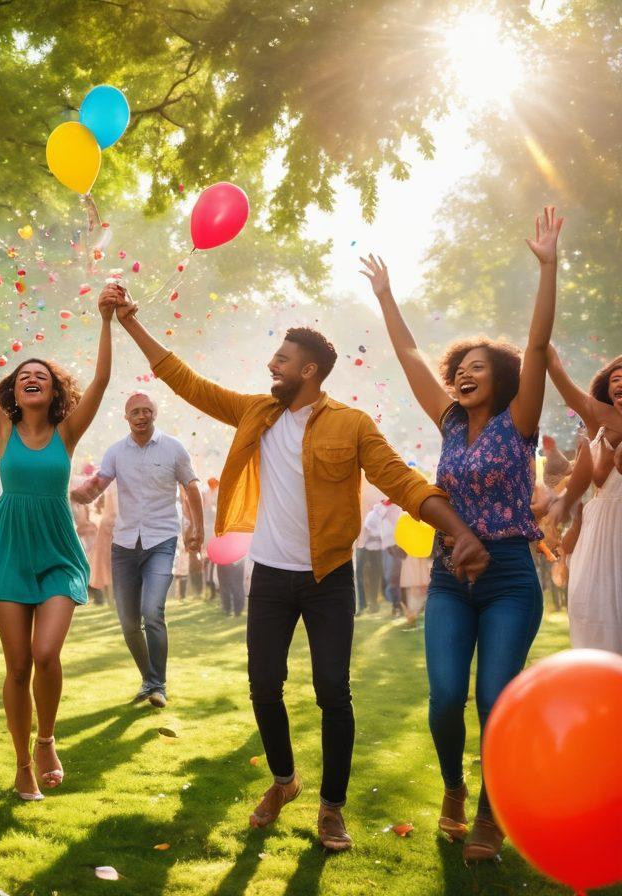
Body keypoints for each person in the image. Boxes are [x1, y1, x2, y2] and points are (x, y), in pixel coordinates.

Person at [109, 283, 489, 852]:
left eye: (281, 359)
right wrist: (130, 323)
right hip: (270, 577)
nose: (271, 365)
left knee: (333, 691)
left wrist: (459, 531)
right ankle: (285, 782)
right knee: (264, 684)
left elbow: (403, 482)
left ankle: (331, 808)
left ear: (308, 370)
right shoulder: (256, 412)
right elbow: (187, 383)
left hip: (328, 577)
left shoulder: (352, 425)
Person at [359, 205, 563, 859]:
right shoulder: (448, 422)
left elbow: (535, 347)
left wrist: (549, 267)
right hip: (450, 576)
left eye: (480, 366)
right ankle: (452, 787)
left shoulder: (519, 421)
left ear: (500, 378)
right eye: (462, 366)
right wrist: (388, 297)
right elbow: (410, 354)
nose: (467, 372)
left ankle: (488, 814)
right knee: (446, 698)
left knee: (494, 699)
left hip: (508, 576)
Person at [0, 282, 114, 801]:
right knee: (17, 665)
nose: (32, 379)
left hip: (59, 549)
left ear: (54, 390)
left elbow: (104, 379)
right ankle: (23, 762)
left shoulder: (68, 433)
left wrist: (107, 320)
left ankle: (47, 739)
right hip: (9, 550)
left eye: (41, 376)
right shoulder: (2, 429)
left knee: (46, 653)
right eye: (25, 377)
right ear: (15, 392)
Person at [71, 391, 203, 708]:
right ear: (126, 417)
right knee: (129, 623)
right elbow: (97, 486)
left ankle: (158, 684)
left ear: (154, 414)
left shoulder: (173, 448)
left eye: (147, 411)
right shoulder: (116, 452)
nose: (141, 416)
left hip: (162, 539)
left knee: (152, 610)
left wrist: (196, 528)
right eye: (135, 412)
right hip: (125, 544)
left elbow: (192, 486)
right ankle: (150, 680)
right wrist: (77, 493)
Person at [545, 348, 622, 652]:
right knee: (594, 623)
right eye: (616, 379)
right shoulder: (598, 420)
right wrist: (546, 353)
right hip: (598, 538)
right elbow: (561, 379)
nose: (620, 384)